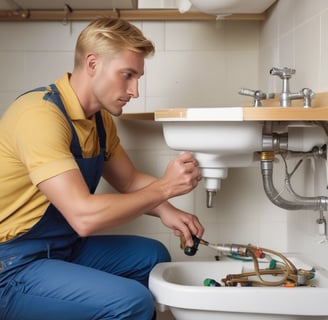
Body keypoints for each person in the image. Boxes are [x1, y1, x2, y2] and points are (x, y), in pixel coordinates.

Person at [0, 17, 204, 320]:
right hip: (14, 264)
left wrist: (167, 210)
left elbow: (130, 179)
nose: (134, 91)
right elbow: (83, 217)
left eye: (138, 77)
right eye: (127, 75)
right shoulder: (39, 116)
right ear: (92, 63)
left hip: (62, 248)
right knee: (132, 302)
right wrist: (164, 187)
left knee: (153, 258)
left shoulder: (99, 119)